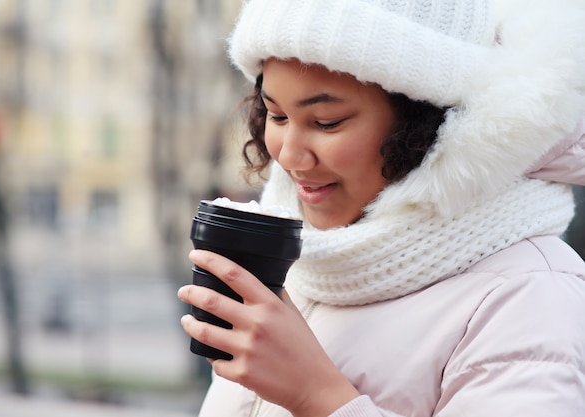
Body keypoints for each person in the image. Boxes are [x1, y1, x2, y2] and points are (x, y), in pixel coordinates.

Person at [177, 0, 585, 415]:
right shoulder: (314, 256)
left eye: (326, 122)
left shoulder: (530, 292)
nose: (290, 156)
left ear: (425, 122)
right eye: (276, 115)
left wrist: (315, 395)